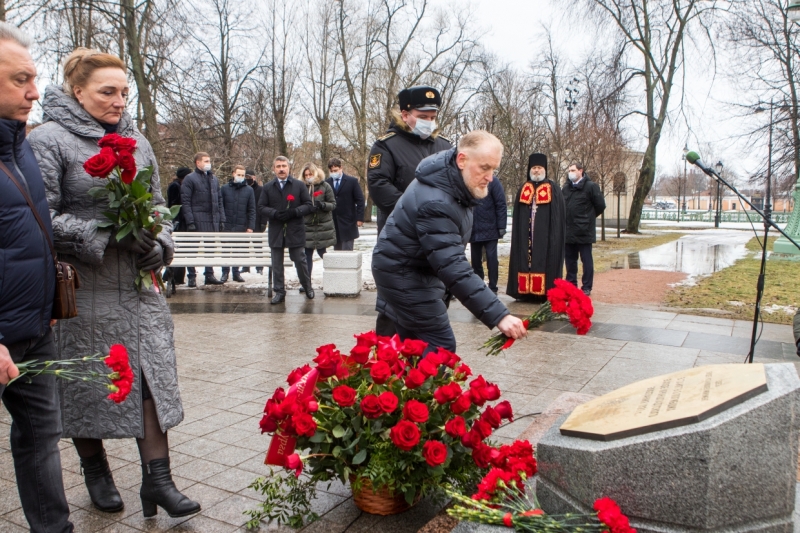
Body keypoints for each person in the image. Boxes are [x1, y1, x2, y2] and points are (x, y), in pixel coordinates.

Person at [28, 47, 200, 518]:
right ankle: (96, 471)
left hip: (140, 289)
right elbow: (39, 211)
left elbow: (161, 205)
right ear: (77, 91)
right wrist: (99, 234)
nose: (119, 100)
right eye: (108, 91)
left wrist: (160, 241)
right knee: (90, 383)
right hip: (87, 289)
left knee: (148, 381)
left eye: (125, 91)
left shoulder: (137, 140)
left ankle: (159, 483)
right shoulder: (49, 140)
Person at [0, 22, 74, 532]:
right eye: (19, 79)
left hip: (33, 328)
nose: (33, 91)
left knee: (41, 442)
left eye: (34, 76)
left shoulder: (18, 141)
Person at [372, 130, 527, 353]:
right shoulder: (437, 201)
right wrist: (499, 315)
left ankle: (396, 385)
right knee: (439, 347)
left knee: (407, 349)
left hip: (412, 270)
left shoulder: (455, 186)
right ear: (462, 160)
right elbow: (452, 265)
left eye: (494, 169)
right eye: (484, 168)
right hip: (404, 275)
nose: (490, 177)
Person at [368, 85, 451, 336]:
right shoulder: (387, 146)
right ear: (405, 115)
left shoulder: (445, 147)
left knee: (433, 303)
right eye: (422, 116)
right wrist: (418, 213)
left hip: (435, 240)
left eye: (432, 117)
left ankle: (426, 368)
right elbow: (380, 186)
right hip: (400, 241)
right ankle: (387, 366)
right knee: (394, 307)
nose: (428, 122)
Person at [507, 153, 566, 303]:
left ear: (544, 169)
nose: (536, 171)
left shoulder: (553, 189)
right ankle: (524, 291)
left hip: (544, 234)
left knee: (543, 259)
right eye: (534, 168)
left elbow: (558, 216)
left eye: (539, 168)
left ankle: (544, 292)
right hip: (526, 233)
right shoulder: (524, 188)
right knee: (525, 259)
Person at [258, 156, 314, 304]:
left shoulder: (298, 186)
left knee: (300, 261)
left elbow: (308, 205)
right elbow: (261, 207)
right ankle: (279, 291)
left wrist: (294, 212)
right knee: (277, 263)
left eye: (284, 166)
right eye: (278, 166)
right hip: (276, 230)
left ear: (289, 168)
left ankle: (307, 286)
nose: (281, 169)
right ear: (274, 169)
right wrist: (274, 213)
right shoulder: (268, 187)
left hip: (294, 229)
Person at [181, 152, 225, 286]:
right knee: (192, 249)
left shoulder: (213, 179)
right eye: (205, 161)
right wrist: (190, 221)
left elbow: (219, 200)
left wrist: (221, 218)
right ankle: (192, 276)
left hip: (212, 219)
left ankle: (209, 274)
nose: (208, 163)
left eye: (209, 160)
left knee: (210, 248)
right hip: (196, 219)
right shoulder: (190, 179)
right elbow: (186, 201)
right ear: (198, 163)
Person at [562, 162, 606, 296]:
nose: (571, 172)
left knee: (586, 260)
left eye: (573, 170)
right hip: (568, 231)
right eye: (569, 170)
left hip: (584, 231)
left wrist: (588, 218)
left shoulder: (591, 187)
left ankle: (587, 286)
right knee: (570, 261)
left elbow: (600, 205)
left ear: (581, 171)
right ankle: (571, 284)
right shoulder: (566, 188)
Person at [470, 178, 507, 293]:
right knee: (475, 261)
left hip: (490, 228)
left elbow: (500, 203)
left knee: (491, 259)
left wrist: (501, 226)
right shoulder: (471, 180)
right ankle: (478, 285)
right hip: (474, 229)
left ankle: (493, 286)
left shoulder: (493, 182)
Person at [221, 164, 256, 283]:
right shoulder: (225, 188)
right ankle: (225, 273)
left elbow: (252, 210)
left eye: (242, 175)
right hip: (227, 225)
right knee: (225, 250)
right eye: (238, 174)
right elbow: (221, 207)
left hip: (241, 225)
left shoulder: (249, 190)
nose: (241, 177)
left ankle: (236, 273)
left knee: (238, 250)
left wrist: (250, 226)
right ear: (233, 174)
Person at [302, 163, 336, 283]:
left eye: (310, 174)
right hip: (307, 226)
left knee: (323, 253)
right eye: (306, 175)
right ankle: (307, 282)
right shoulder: (302, 187)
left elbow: (333, 204)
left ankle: (334, 278)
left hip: (322, 226)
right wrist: (306, 208)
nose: (308, 177)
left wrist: (322, 205)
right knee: (307, 256)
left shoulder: (325, 186)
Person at [326, 157, 364, 250]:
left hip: (349, 222)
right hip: (334, 222)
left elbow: (360, 200)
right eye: (332, 171)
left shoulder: (352, 181)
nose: (334, 173)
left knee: (347, 251)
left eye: (336, 170)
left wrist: (360, 218)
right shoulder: (327, 183)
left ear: (341, 168)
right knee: (337, 251)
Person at [165, 166, 191, 291]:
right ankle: (174, 276)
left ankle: (177, 276)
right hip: (178, 221)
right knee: (179, 249)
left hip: (179, 220)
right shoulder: (176, 186)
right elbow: (174, 204)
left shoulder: (175, 185)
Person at [245, 168, 265, 274]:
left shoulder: (261, 190)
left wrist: (263, 222)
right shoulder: (243, 189)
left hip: (258, 220)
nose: (247, 179)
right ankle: (245, 266)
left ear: (254, 177)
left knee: (257, 245)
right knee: (244, 244)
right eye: (246, 177)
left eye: (249, 177)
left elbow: (263, 206)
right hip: (245, 220)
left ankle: (259, 267)